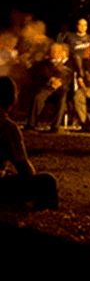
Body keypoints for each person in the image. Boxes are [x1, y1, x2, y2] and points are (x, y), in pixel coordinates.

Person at [0, 77, 59, 210]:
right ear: (13, 99)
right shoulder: (7, 127)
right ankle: (37, 207)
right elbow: (24, 168)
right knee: (47, 181)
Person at [28, 43, 74, 132]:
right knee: (38, 97)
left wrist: (60, 82)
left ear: (61, 52)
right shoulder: (44, 63)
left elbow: (69, 77)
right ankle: (31, 124)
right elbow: (41, 75)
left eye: (57, 51)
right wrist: (50, 80)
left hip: (61, 89)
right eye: (53, 51)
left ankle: (55, 126)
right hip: (48, 87)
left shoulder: (68, 64)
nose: (54, 53)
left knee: (62, 100)